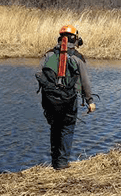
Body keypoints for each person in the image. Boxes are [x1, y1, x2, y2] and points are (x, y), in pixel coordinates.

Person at [37, 25, 96, 170]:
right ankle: (62, 163)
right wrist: (90, 101)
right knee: (67, 128)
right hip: (69, 101)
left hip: (50, 101)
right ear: (75, 39)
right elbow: (85, 81)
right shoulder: (77, 57)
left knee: (55, 128)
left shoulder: (48, 55)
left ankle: (55, 162)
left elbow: (39, 75)